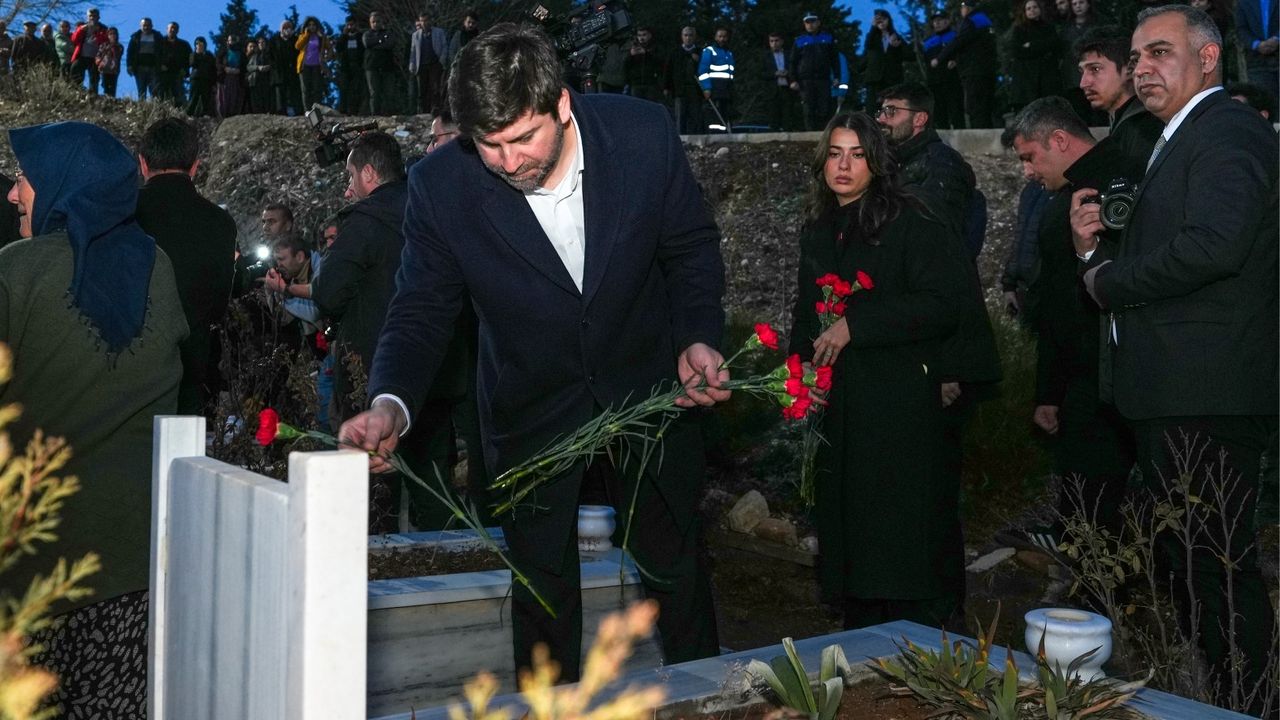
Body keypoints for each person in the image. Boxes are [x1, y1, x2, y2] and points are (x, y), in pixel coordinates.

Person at [340, 23, 725, 680]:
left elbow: (690, 247)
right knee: (542, 595)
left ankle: (710, 695)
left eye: (523, 138)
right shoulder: (441, 185)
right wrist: (390, 403)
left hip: (649, 392)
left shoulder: (642, 135)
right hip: (531, 409)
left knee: (677, 570)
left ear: (562, 104)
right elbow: (421, 309)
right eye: (487, 145)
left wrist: (697, 335)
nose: (508, 161)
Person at [1071, 7, 1277, 703]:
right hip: (1176, 392)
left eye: (1160, 52)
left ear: (1209, 58)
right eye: (1135, 58)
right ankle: (1229, 697)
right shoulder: (1182, 136)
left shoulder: (1227, 131)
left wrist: (1110, 282)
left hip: (1206, 394)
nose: (1142, 69)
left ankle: (1253, 703)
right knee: (1195, 565)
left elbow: (1214, 246)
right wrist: (1093, 253)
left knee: (1216, 568)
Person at [3, 120, 187, 719]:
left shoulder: (18, 271)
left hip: (34, 570)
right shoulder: (157, 267)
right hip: (130, 566)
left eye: (25, 178)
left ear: (64, 182)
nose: (14, 193)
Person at [788, 112, 971, 631]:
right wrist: (800, 375)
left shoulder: (910, 219)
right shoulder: (819, 228)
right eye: (835, 154)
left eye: (857, 154)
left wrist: (856, 325)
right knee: (849, 527)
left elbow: (941, 304)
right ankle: (861, 632)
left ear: (877, 162)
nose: (844, 166)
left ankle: (920, 636)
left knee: (899, 529)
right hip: (840, 405)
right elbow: (806, 312)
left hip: (897, 402)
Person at [1003, 98, 1136, 553]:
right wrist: (1050, 390)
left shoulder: (1110, 185)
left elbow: (1072, 301)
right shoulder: (1072, 191)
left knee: (1098, 493)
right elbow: (1057, 303)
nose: (1027, 171)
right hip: (1088, 372)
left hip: (1106, 374)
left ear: (1059, 140)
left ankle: (1096, 576)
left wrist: (1054, 388)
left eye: (1030, 157)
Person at [313, 132, 464, 531]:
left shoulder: (365, 222)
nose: (348, 187)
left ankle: (376, 558)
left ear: (368, 173)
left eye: (350, 175)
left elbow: (328, 292)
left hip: (372, 371)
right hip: (432, 369)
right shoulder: (431, 208)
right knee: (433, 485)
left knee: (375, 491)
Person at [135, 117, 237, 416]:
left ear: (142, 163)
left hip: (130, 366)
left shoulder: (123, 213)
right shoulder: (219, 222)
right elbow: (220, 303)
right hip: (193, 366)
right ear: (195, 166)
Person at [1073, 26, 1162, 183]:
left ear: (1129, 69)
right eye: (1082, 72)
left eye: (1095, 69)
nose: (1084, 83)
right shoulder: (1127, 124)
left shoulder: (1145, 128)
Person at [935, 0, 999, 128]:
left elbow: (960, 41)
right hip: (988, 68)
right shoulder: (985, 20)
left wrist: (940, 57)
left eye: (962, 8)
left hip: (974, 70)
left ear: (967, 8)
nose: (961, 11)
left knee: (975, 105)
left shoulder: (970, 21)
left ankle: (979, 135)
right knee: (988, 105)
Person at [1005, 0, 1062, 115]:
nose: (1032, 10)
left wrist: (1031, 45)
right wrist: (1041, 47)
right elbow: (1017, 51)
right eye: (1029, 8)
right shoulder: (1019, 30)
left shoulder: (1048, 27)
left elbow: (1054, 45)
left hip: (1046, 76)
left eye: (1035, 7)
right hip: (1026, 78)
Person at [791, 11, 840, 131]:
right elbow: (793, 62)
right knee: (808, 108)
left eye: (812, 21)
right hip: (805, 80)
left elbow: (834, 59)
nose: (810, 25)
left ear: (818, 22)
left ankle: (824, 132)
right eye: (807, 22)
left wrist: (837, 77)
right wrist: (793, 80)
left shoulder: (828, 38)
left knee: (824, 107)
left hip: (823, 79)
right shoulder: (799, 41)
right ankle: (810, 133)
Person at [1059, 0, 1099, 124]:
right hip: (1072, 74)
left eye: (1081, 2)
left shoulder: (1097, 24)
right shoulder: (1066, 27)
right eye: (1074, 4)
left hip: (1094, 71)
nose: (1078, 6)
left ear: (1088, 4)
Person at [923, 13, 964, 130]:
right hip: (935, 81)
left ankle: (960, 132)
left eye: (940, 20)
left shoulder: (955, 36)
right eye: (935, 21)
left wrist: (956, 61)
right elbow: (926, 61)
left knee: (956, 109)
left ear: (947, 21)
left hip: (953, 79)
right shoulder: (928, 42)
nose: (937, 23)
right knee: (939, 111)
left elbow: (963, 53)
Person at [862, 10, 908, 113]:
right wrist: (873, 27)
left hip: (892, 79)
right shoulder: (872, 36)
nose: (881, 21)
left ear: (889, 20)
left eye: (884, 19)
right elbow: (868, 46)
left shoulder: (896, 36)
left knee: (891, 108)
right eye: (878, 19)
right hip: (874, 78)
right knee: (872, 109)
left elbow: (909, 55)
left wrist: (897, 47)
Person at [666, 26, 705, 134]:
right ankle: (680, 139)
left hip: (695, 90)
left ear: (695, 37)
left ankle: (697, 138)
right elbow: (668, 71)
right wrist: (667, 87)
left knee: (696, 117)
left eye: (690, 35)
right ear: (682, 37)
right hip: (680, 90)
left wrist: (698, 61)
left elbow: (706, 71)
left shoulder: (700, 52)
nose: (688, 38)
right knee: (680, 117)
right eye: (686, 35)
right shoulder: (675, 52)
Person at [408, 12, 448, 115]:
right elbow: (413, 51)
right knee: (422, 91)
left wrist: (441, 61)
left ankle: (435, 111)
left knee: (435, 89)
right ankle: (423, 112)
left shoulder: (439, 32)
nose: (424, 23)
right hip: (421, 66)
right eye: (422, 20)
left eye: (426, 20)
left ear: (430, 21)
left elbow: (444, 47)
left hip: (435, 64)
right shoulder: (415, 35)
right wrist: (412, 65)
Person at [1237, 0, 1278, 93]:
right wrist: (1256, 44)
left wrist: (1277, 39)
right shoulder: (1243, 2)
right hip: (1256, 60)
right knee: (1262, 96)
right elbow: (1241, 29)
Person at [699, 27, 735, 131]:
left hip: (727, 88)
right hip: (715, 88)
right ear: (715, 37)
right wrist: (706, 88)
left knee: (725, 114)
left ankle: (723, 133)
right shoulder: (709, 51)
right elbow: (703, 71)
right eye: (720, 36)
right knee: (714, 115)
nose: (722, 39)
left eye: (724, 36)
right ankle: (714, 134)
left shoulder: (728, 53)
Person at [762, 31, 799, 131]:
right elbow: (760, 73)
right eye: (771, 41)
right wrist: (775, 73)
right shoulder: (765, 56)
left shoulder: (789, 54)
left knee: (788, 117)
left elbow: (795, 69)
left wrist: (788, 74)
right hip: (772, 90)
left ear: (782, 41)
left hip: (787, 88)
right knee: (773, 119)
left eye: (776, 41)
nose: (774, 43)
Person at [294, 17, 330, 112]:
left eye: (313, 25)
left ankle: (317, 110)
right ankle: (307, 110)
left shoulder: (321, 37)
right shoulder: (303, 35)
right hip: (304, 66)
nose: (312, 27)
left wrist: (327, 57)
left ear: (317, 26)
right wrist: (306, 35)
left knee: (317, 89)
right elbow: (298, 46)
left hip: (317, 66)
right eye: (309, 25)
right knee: (306, 89)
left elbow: (329, 48)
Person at [363, 12, 396, 115]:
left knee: (389, 92)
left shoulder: (389, 33)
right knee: (374, 92)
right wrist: (381, 40)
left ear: (382, 22)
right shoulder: (367, 34)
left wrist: (376, 43)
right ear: (370, 23)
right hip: (372, 67)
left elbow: (390, 44)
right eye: (373, 22)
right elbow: (367, 43)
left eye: (377, 21)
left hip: (387, 67)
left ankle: (389, 114)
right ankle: (375, 114)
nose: (375, 24)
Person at [69, 8, 107, 93]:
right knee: (75, 70)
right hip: (82, 55)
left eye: (94, 16)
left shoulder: (103, 28)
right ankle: (76, 91)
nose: (92, 18)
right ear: (87, 17)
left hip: (95, 58)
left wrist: (97, 32)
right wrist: (81, 30)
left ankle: (93, 95)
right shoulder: (82, 26)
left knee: (94, 77)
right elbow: (74, 40)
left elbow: (104, 42)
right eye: (90, 16)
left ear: (98, 17)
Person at [625, 26, 664, 104]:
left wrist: (646, 53)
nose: (641, 38)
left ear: (650, 35)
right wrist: (630, 55)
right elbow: (625, 66)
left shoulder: (656, 47)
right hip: (636, 84)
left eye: (644, 35)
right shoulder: (633, 47)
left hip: (651, 84)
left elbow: (660, 62)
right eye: (639, 35)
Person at [335, 16, 365, 115]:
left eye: (352, 24)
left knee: (356, 89)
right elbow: (338, 48)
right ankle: (343, 110)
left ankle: (354, 110)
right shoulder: (344, 37)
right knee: (344, 88)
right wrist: (344, 35)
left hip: (357, 65)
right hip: (345, 66)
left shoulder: (360, 36)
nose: (350, 27)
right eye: (348, 25)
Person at [126, 18, 161, 99]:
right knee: (141, 90)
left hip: (153, 67)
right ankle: (142, 105)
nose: (146, 27)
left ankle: (154, 106)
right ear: (140, 26)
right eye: (144, 25)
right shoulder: (135, 37)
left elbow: (162, 51)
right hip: (139, 68)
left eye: (148, 25)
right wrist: (129, 65)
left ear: (152, 26)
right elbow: (130, 52)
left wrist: (161, 64)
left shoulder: (158, 37)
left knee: (154, 90)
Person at [159, 22, 191, 105]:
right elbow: (155, 56)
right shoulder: (159, 43)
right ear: (167, 29)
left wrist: (185, 70)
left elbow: (190, 59)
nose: (173, 30)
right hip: (163, 73)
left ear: (178, 31)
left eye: (175, 28)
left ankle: (178, 111)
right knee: (162, 94)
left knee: (178, 95)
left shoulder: (184, 45)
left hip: (177, 73)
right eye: (171, 28)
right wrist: (160, 66)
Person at [216, 34, 247, 117]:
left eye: (233, 40)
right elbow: (218, 63)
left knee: (234, 97)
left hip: (237, 78)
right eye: (230, 40)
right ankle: (223, 115)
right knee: (224, 98)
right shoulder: (223, 52)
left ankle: (233, 115)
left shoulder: (241, 54)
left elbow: (244, 66)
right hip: (224, 78)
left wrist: (239, 71)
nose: (232, 42)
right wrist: (225, 68)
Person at [186, 36, 216, 117]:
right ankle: (189, 115)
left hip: (206, 80)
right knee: (193, 98)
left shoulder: (209, 55)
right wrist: (197, 53)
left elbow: (213, 69)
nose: (199, 45)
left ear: (205, 44)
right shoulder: (193, 54)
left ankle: (206, 115)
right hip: (195, 79)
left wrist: (213, 82)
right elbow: (192, 64)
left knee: (206, 99)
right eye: (197, 43)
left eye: (201, 43)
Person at [247, 37, 273, 113]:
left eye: (263, 42)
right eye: (259, 42)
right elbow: (248, 67)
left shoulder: (270, 54)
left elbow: (274, 64)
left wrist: (268, 67)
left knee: (267, 99)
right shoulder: (254, 55)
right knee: (257, 100)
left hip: (268, 80)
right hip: (256, 81)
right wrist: (258, 67)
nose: (261, 44)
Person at [96, 26, 122, 97]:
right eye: (110, 34)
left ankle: (112, 99)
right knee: (105, 87)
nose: (112, 35)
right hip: (104, 69)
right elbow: (98, 54)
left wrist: (113, 45)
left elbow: (118, 55)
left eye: (114, 34)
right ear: (108, 35)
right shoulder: (103, 45)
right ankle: (106, 98)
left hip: (114, 70)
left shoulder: (119, 46)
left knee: (112, 88)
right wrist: (98, 61)